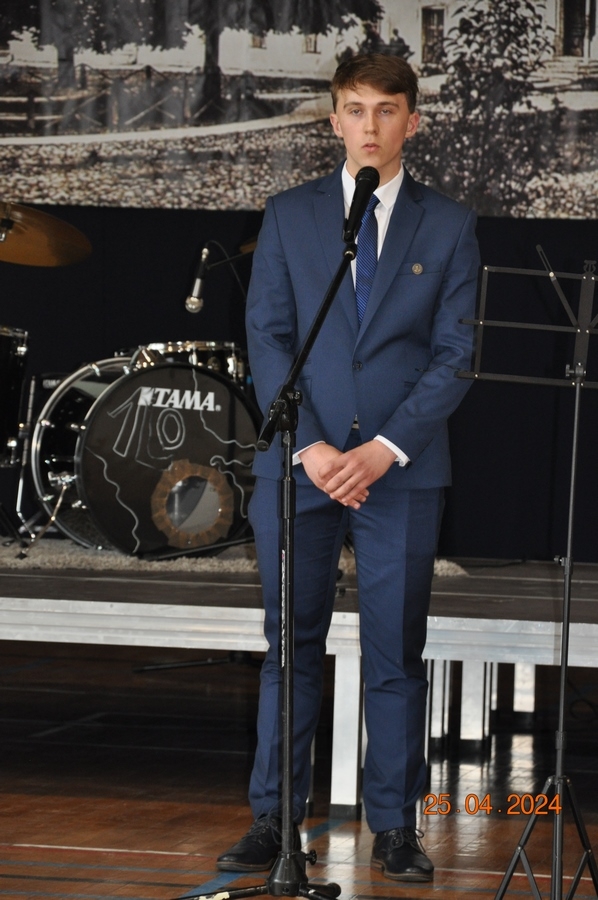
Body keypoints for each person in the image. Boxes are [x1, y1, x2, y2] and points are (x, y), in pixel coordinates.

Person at [217, 53, 480, 883]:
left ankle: (395, 828)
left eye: (386, 110)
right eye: (355, 109)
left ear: (413, 122)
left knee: (396, 651)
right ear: (333, 120)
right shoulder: (290, 215)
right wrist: (315, 448)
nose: (370, 126)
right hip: (301, 467)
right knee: (288, 648)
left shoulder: (449, 226)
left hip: (399, 470)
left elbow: (454, 355)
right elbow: (268, 337)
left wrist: (380, 450)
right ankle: (273, 820)